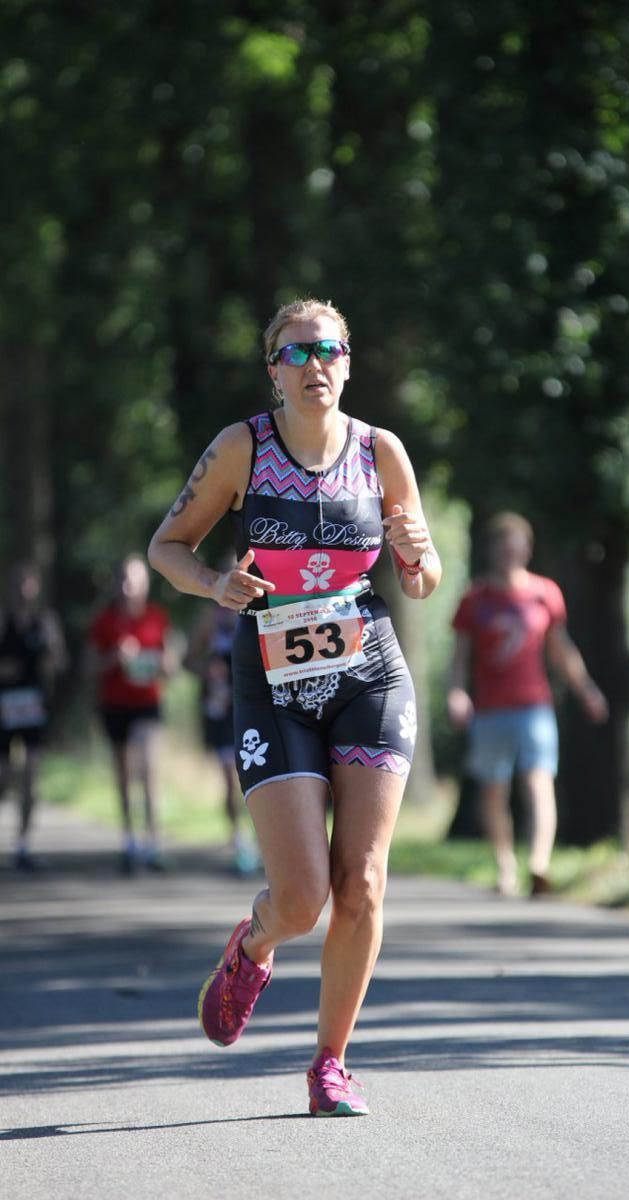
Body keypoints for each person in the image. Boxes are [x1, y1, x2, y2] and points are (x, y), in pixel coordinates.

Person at [148, 297, 441, 1117]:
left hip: (368, 674)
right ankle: (254, 943)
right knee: (303, 897)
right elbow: (165, 547)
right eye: (296, 352)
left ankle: (329, 1064)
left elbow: (421, 575)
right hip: (272, 678)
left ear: (350, 362)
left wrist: (420, 562)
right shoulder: (242, 448)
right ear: (273, 370)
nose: (316, 363)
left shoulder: (383, 454)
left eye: (331, 349)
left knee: (365, 881)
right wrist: (213, 583)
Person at [448, 511, 608, 897]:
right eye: (501, 547)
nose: (508, 554)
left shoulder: (545, 594)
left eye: (514, 546)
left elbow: (561, 649)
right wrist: (456, 693)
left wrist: (586, 689)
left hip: (534, 706)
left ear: (526, 549)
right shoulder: (475, 600)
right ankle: (506, 864)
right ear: (491, 552)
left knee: (538, 782)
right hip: (489, 709)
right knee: (494, 790)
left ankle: (540, 862)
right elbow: (460, 658)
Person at [86, 553, 174, 873]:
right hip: (115, 704)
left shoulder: (157, 617)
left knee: (148, 769)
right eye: (124, 580)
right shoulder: (104, 621)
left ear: (145, 585)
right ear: (116, 584)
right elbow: (88, 666)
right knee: (123, 774)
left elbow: (170, 666)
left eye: (135, 581)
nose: (129, 587)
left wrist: (162, 664)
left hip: (148, 703)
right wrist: (114, 658)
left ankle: (154, 842)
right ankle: (129, 839)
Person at [185, 584, 259, 875]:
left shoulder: (255, 609)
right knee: (231, 779)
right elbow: (188, 659)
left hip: (251, 704)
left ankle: (260, 842)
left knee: (255, 777)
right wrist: (207, 670)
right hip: (220, 708)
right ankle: (239, 839)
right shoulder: (210, 618)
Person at [0, 562, 67, 870]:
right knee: (5, 775)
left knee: (31, 774)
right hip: (4, 704)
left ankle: (23, 843)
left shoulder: (45, 620)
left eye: (29, 583)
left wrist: (51, 651)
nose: (24, 590)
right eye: (19, 583)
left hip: (34, 706)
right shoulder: (4, 619)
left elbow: (60, 661)